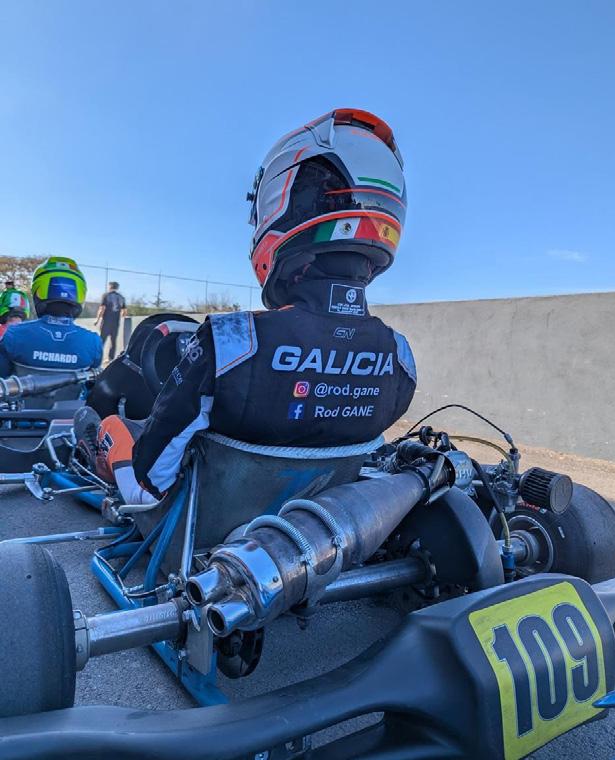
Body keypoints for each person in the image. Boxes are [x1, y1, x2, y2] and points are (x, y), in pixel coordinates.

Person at [77, 108, 416, 506]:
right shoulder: (401, 359)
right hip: (327, 521)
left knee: (113, 425)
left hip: (207, 528)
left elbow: (151, 478)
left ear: (282, 200)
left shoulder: (231, 343)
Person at [0, 257, 102, 377]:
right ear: (79, 294)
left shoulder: (14, 334)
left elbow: (3, 379)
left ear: (38, 291)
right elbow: (93, 383)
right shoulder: (93, 342)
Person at [95, 281, 127, 362]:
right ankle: (110, 358)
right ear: (117, 287)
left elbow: (102, 309)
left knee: (102, 340)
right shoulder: (121, 297)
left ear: (110, 287)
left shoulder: (106, 295)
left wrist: (97, 320)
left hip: (106, 322)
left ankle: (97, 358)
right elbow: (124, 312)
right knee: (113, 341)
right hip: (116, 323)